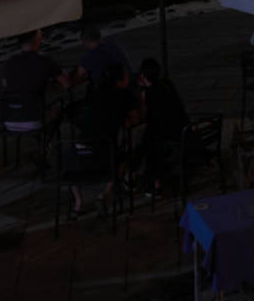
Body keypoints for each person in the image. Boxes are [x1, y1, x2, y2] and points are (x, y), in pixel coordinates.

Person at [72, 62, 141, 217]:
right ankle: (106, 193)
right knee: (122, 159)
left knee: (75, 167)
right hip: (103, 150)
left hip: (79, 148)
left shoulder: (94, 94)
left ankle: (78, 203)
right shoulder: (124, 95)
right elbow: (135, 120)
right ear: (120, 80)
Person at [135, 57, 188, 191]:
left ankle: (152, 183)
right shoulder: (166, 85)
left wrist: (142, 97)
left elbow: (144, 117)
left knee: (144, 144)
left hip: (166, 137)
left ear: (142, 75)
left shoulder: (149, 93)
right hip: (180, 131)